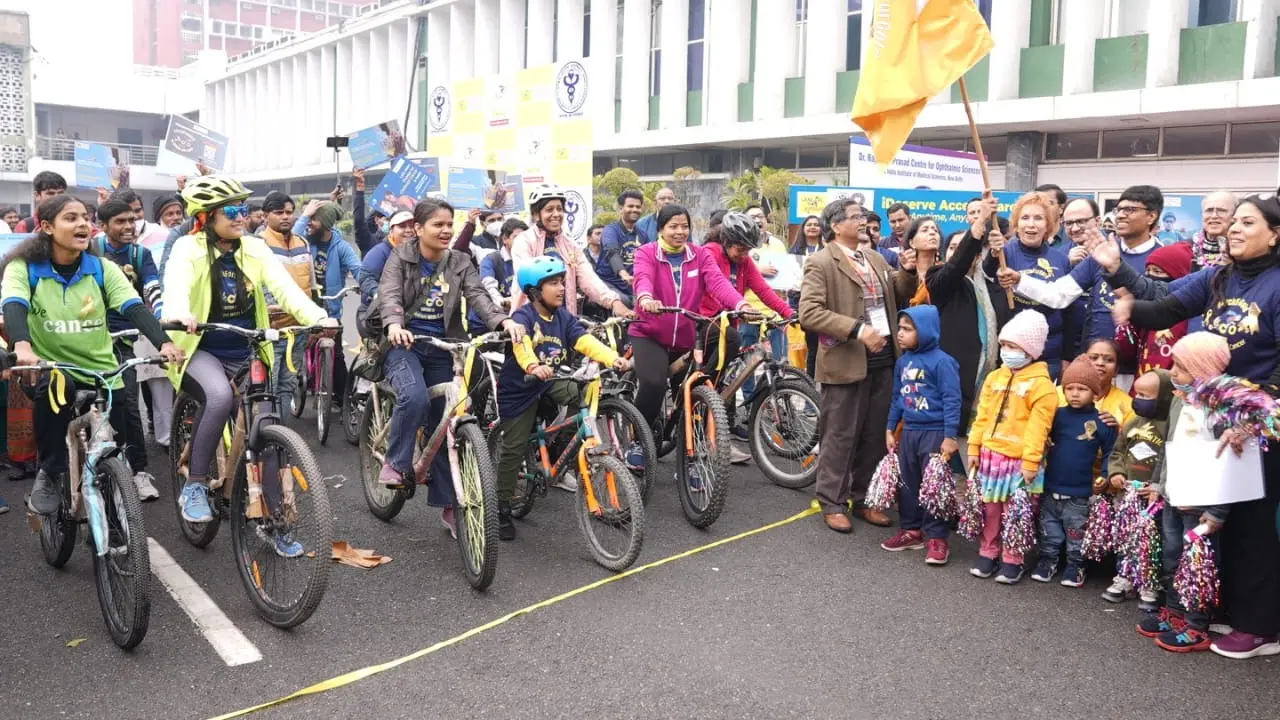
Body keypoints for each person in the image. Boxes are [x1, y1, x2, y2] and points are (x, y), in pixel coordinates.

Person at [1117, 193, 1280, 659]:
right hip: (1212, 413)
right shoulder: (1218, 276)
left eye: (1247, 223)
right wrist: (1123, 292)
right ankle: (1223, 609)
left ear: (1275, 234)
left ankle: (1261, 627)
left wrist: (1255, 413)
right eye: (1235, 222)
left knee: (1252, 522)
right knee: (1213, 521)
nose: (1234, 229)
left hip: (1258, 420)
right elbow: (1164, 306)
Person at [161, 177, 337, 542]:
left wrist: (318, 318)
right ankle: (194, 485)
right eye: (231, 210)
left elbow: (286, 291)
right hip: (199, 348)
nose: (242, 216)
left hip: (246, 348)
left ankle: (274, 518)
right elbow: (175, 288)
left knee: (267, 424)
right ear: (207, 217)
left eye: (244, 208)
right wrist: (179, 314)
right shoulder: (186, 248)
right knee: (220, 398)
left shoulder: (254, 250)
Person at [2, 195, 182, 516]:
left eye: (85, 217)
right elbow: (14, 304)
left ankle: (112, 493)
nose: (83, 223)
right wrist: (23, 346)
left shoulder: (102, 268)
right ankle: (50, 470)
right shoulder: (24, 268)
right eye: (71, 218)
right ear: (46, 227)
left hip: (103, 370)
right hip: (50, 368)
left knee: (116, 442)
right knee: (56, 389)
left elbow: (134, 307)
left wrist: (164, 342)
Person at [377, 198, 524, 533]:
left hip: (445, 347)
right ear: (418, 228)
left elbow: (478, 297)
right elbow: (389, 295)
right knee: (413, 398)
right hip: (405, 345)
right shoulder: (401, 256)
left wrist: (502, 323)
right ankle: (396, 464)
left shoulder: (460, 260)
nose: (445, 231)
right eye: (437, 225)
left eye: (449, 224)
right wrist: (395, 325)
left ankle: (450, 505)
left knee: (447, 426)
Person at [495, 258, 628, 540]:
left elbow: (583, 342)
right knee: (514, 447)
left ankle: (561, 449)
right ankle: (502, 507)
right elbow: (522, 348)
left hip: (551, 382)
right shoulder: (523, 317)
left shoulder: (563, 317)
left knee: (584, 394)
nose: (560, 288)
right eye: (552, 283)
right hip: (521, 387)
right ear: (534, 291)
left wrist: (612, 358)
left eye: (561, 282)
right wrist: (533, 367)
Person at [801, 200, 910, 533]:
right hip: (846, 358)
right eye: (855, 217)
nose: (863, 221)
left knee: (874, 433)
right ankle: (832, 501)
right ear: (836, 226)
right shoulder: (821, 262)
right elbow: (809, 312)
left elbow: (900, 295)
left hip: (883, 359)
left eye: (863, 217)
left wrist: (906, 270)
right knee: (840, 434)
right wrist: (857, 329)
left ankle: (865, 498)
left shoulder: (875, 258)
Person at [999, 185, 1167, 383]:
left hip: (1139, 369)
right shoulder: (1101, 253)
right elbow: (1058, 295)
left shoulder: (1165, 257)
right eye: (1118, 210)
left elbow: (1167, 308)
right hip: (1093, 364)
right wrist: (1020, 280)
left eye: (1130, 210)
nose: (1121, 215)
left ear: (1151, 216)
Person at [1136, 332, 1230, 652]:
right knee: (1172, 556)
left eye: (1183, 367)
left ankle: (1196, 624)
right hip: (1173, 496)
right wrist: (1158, 485)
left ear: (1204, 370)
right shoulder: (1179, 400)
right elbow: (1168, 447)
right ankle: (1174, 612)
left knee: (1197, 565)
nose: (1173, 372)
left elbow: (1229, 464)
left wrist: (1217, 510)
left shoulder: (1220, 410)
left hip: (1200, 504)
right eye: (1174, 364)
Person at [630, 204, 753, 434]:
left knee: (723, 345)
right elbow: (642, 279)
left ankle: (691, 452)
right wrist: (646, 298)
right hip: (650, 334)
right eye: (673, 226)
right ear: (660, 229)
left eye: (684, 226)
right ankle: (639, 439)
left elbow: (718, 283)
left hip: (687, 334)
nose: (679, 232)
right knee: (654, 384)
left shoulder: (699, 254)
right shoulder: (646, 252)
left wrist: (741, 304)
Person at [897, 198, 1000, 456]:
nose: (932, 232)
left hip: (969, 370)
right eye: (925, 229)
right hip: (932, 377)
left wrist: (993, 249)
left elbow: (961, 271)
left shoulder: (964, 281)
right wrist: (975, 230)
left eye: (935, 229)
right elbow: (950, 272)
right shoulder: (924, 279)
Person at [966, 309, 1057, 584]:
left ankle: (1013, 557)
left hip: (1019, 462)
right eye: (1004, 345)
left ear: (1030, 350)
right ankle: (988, 550)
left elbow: (1038, 428)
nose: (1007, 351)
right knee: (990, 508)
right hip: (991, 457)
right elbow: (981, 415)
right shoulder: (995, 378)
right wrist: (974, 447)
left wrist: (1030, 462)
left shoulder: (1043, 387)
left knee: (1017, 511)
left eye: (1013, 346)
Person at [699, 212, 794, 462]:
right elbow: (717, 286)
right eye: (740, 249)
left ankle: (722, 427)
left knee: (732, 372)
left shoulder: (744, 261)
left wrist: (788, 312)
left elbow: (762, 288)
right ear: (726, 241)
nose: (744, 255)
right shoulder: (709, 253)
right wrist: (741, 305)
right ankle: (704, 396)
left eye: (748, 250)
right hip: (705, 322)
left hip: (730, 323)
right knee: (718, 374)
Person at [92, 198, 162, 501]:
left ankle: (138, 471)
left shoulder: (140, 254)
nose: (128, 227)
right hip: (87, 338)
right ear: (103, 226)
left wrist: (160, 317)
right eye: (119, 222)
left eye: (132, 220)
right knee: (86, 406)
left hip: (123, 340)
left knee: (128, 405)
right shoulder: (90, 250)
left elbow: (152, 287)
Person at [882, 304, 961, 565]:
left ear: (925, 331)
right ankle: (911, 531)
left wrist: (950, 436)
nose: (900, 334)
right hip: (911, 433)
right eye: (899, 328)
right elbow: (897, 398)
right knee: (908, 485)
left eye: (907, 329)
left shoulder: (943, 362)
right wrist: (890, 428)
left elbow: (952, 400)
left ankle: (937, 538)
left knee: (933, 487)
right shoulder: (903, 362)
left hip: (935, 433)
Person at [1032, 355, 1116, 588]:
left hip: (1080, 493)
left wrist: (1106, 476)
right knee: (1050, 531)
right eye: (1070, 388)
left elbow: (1111, 451)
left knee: (1076, 533)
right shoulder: (1057, 414)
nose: (1075, 394)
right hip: (1051, 487)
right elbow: (1040, 436)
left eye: (1082, 389)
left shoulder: (1102, 421)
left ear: (1095, 393)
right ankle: (1048, 561)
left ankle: (1075, 566)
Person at [1104, 369, 1174, 610]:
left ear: (1164, 397)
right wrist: (1116, 473)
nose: (1139, 399)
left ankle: (1149, 583)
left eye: (1146, 395)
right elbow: (1117, 452)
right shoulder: (1132, 422)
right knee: (1127, 538)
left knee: (1151, 542)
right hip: (1128, 496)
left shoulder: (1169, 426)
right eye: (1137, 393)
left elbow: (1170, 460)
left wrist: (1159, 486)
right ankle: (1124, 577)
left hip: (1153, 499)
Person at [983, 191, 1070, 378]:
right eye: (1025, 218)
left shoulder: (1061, 259)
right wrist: (993, 251)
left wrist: (1068, 355)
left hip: (1050, 353)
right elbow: (988, 272)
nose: (1031, 224)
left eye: (1038, 218)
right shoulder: (1004, 253)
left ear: (1047, 224)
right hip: (1014, 352)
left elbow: (1068, 308)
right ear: (1016, 224)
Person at [511, 184, 631, 318]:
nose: (556, 214)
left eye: (560, 209)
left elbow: (588, 278)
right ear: (536, 214)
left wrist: (613, 301)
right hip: (531, 319)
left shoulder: (570, 244)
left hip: (565, 320)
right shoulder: (524, 241)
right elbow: (528, 280)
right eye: (549, 209)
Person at [260, 192, 317, 417]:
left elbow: (312, 286)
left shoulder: (302, 243)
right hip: (271, 332)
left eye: (289, 212)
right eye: (279, 212)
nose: (285, 217)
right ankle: (264, 437)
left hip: (298, 330)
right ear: (265, 216)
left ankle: (281, 438)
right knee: (268, 388)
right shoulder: (258, 245)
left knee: (287, 385)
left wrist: (314, 324)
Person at [1114, 242, 1193, 377]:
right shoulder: (1145, 313)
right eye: (1148, 271)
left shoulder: (1188, 318)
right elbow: (1125, 351)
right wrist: (1126, 319)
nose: (1151, 276)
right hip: (1141, 389)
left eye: (1157, 272)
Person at [468, 218, 525, 334]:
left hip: (514, 320)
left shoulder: (528, 260)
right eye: (516, 237)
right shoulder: (491, 260)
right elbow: (488, 288)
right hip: (485, 323)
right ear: (505, 239)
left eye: (524, 238)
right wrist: (503, 303)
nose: (521, 242)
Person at [358, 210, 416, 310]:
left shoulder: (421, 252)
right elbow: (366, 278)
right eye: (402, 226)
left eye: (412, 226)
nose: (408, 230)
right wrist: (378, 294)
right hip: (379, 313)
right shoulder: (379, 252)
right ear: (391, 230)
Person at [789, 214, 824, 377]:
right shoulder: (794, 251)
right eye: (809, 224)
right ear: (803, 228)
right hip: (799, 303)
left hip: (820, 304)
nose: (812, 227)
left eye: (816, 224)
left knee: (817, 348)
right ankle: (805, 382)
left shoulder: (825, 250)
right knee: (803, 349)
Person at [597, 190, 647, 304]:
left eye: (638, 207)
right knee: (624, 301)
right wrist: (623, 273)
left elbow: (650, 260)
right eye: (630, 206)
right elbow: (611, 252)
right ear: (621, 209)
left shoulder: (643, 235)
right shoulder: (611, 230)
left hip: (633, 287)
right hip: (610, 283)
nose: (634, 209)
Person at [1190, 191, 1237, 270]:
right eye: (1209, 210)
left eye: (1221, 210)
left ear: (1234, 216)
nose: (1214, 215)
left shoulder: (1243, 249)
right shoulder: (1187, 247)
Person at [1035, 183, 1070, 250]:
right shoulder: (1026, 239)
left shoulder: (1073, 238)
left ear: (1061, 208)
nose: (1042, 207)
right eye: (1038, 203)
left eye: (1048, 203)